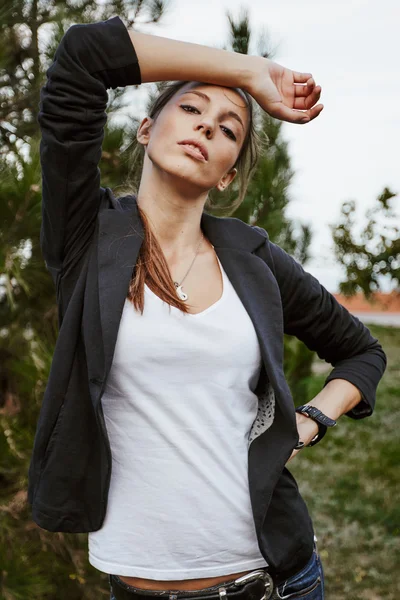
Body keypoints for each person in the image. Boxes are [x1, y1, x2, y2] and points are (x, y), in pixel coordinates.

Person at [28, 15, 387, 600]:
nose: (206, 129)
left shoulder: (254, 260)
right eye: (191, 109)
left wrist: (313, 419)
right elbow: (83, 55)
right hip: (137, 583)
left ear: (227, 175)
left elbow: (361, 352)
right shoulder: (87, 241)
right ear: (146, 129)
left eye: (228, 129)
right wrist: (251, 74)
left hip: (274, 579)